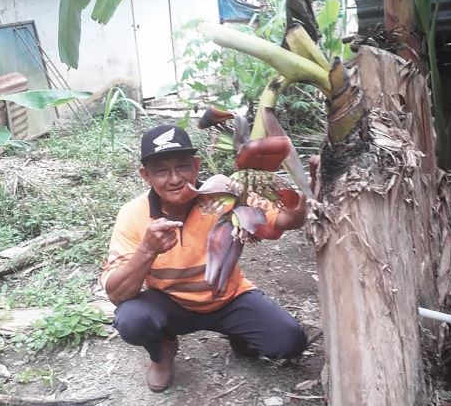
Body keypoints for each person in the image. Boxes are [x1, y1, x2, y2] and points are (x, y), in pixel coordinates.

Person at [101, 124, 308, 393]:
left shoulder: (225, 194)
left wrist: (298, 203)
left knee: (290, 342)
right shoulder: (132, 215)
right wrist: (147, 250)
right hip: (171, 303)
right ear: (145, 175)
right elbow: (117, 294)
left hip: (228, 298)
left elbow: (281, 219)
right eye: (161, 170)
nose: (174, 179)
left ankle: (240, 336)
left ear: (196, 166)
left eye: (182, 166)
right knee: (131, 318)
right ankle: (162, 352)